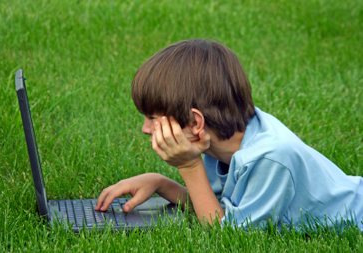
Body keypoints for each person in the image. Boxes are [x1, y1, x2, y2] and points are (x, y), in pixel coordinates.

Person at [95, 39, 363, 230]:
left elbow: (227, 237)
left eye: (153, 118)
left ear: (195, 121)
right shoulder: (220, 139)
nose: (145, 129)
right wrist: (161, 183)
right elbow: (214, 207)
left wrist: (189, 166)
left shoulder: (270, 157)